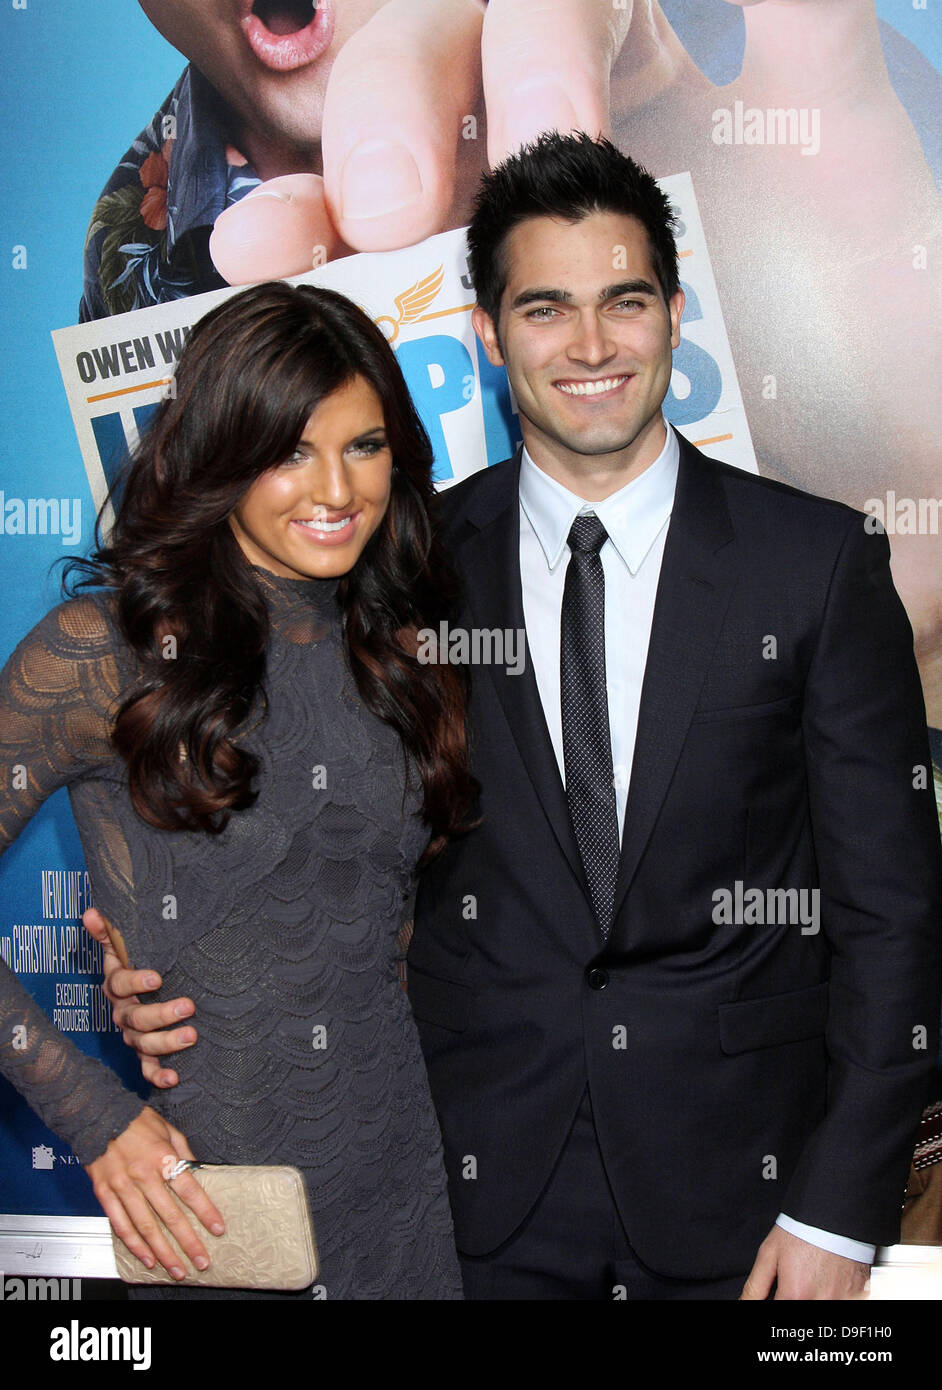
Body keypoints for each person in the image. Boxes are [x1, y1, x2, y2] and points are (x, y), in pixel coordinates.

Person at [91, 132, 942, 1300]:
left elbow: (894, 916)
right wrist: (170, 968)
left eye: (624, 301)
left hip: (750, 1207)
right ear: (489, 335)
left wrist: (841, 1214)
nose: (589, 346)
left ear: (675, 314)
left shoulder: (816, 564)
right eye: (545, 309)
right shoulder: (401, 565)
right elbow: (305, 832)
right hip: (468, 1192)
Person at [0, 280, 473, 1299]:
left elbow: (389, 941)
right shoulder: (99, 656)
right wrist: (94, 1114)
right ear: (219, 453)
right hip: (214, 1210)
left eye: (366, 443)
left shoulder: (401, 654)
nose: (336, 488)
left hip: (401, 1192)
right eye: (289, 449)